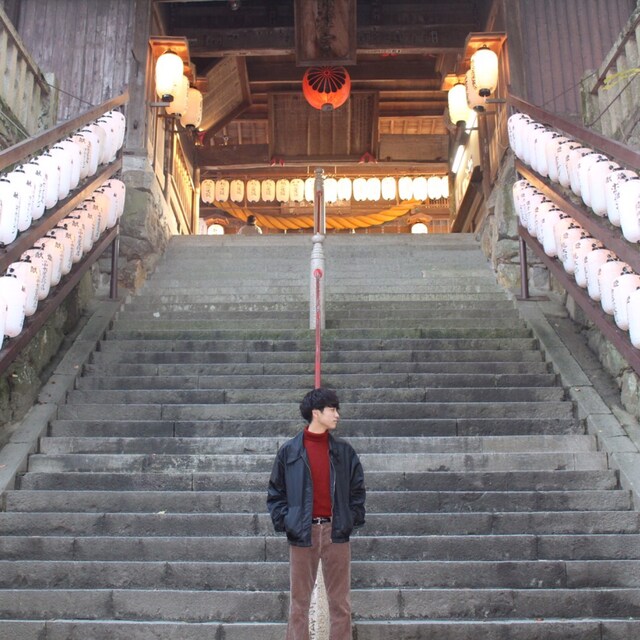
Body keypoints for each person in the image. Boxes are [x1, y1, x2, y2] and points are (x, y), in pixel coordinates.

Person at [267, 388, 366, 640]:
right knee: (299, 604)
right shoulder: (289, 451)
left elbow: (357, 490)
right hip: (303, 532)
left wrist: (350, 518)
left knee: (341, 604)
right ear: (316, 413)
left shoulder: (344, 452)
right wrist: (288, 521)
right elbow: (276, 492)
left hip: (336, 531)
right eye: (332, 409)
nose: (337, 415)